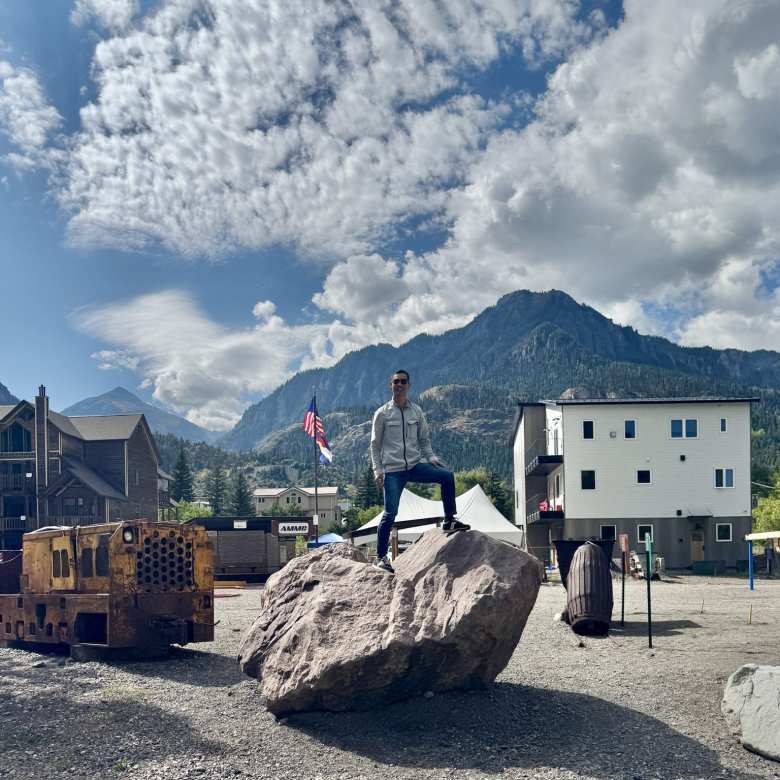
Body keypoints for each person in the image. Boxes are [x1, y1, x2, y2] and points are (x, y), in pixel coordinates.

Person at [370, 369, 469, 573]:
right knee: (390, 514)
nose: (399, 384)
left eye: (403, 381)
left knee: (446, 476)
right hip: (393, 471)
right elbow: (375, 445)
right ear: (391, 385)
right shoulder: (382, 413)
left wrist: (431, 457)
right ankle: (381, 558)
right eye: (395, 381)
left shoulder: (417, 412)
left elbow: (424, 439)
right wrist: (377, 470)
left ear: (408, 385)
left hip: (415, 466)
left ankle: (449, 520)